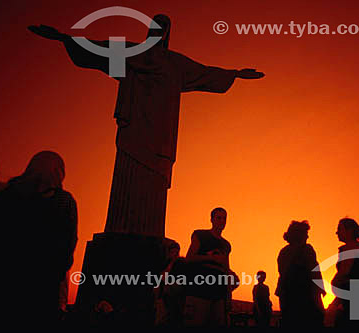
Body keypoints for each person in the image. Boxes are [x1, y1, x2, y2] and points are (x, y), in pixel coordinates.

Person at [28, 17, 264, 238]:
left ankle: (149, 233)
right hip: (134, 131)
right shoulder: (131, 53)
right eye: (155, 26)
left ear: (167, 34)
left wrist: (235, 74)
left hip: (160, 136)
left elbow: (204, 72)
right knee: (127, 176)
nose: (158, 32)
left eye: (163, 28)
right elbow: (96, 48)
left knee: (154, 185)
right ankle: (118, 229)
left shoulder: (175, 64)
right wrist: (63, 38)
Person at [0, 151, 78, 323]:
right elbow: (68, 244)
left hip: (2, 283)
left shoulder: (8, 193)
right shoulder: (63, 201)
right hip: (42, 286)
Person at [184, 207, 234, 327]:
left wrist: (228, 295)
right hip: (199, 291)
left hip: (218, 294)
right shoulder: (200, 235)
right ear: (211, 219)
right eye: (218, 217)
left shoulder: (226, 245)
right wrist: (210, 258)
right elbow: (189, 258)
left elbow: (226, 269)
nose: (222, 221)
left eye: (224, 218)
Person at [275, 220, 325, 328]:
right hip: (305, 298)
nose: (308, 236)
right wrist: (320, 289)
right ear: (300, 235)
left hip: (287, 297)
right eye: (306, 233)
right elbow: (314, 271)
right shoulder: (307, 249)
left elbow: (281, 273)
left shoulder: (283, 252)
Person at [330, 217, 359, 327]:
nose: (337, 232)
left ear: (349, 231)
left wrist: (334, 282)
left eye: (340, 229)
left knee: (351, 325)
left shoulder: (350, 247)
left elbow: (344, 272)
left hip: (354, 295)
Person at [154, 240, 186, 327]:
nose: (175, 253)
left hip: (177, 292)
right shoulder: (164, 263)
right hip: (165, 294)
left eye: (176, 251)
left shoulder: (181, 262)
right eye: (172, 251)